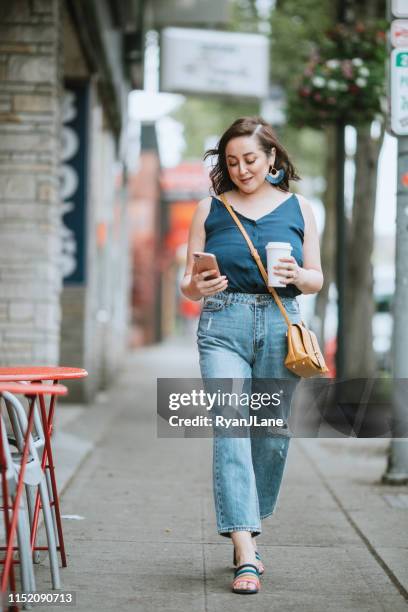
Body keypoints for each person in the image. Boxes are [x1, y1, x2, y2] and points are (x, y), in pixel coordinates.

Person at [180, 116, 323, 594]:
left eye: (251, 159)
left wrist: (298, 275)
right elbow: (187, 281)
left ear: (273, 159)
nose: (241, 169)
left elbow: (316, 277)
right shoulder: (210, 209)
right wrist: (197, 286)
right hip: (223, 324)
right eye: (232, 161)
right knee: (231, 429)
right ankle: (245, 549)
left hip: (283, 327)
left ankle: (246, 521)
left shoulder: (300, 208)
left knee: (270, 434)